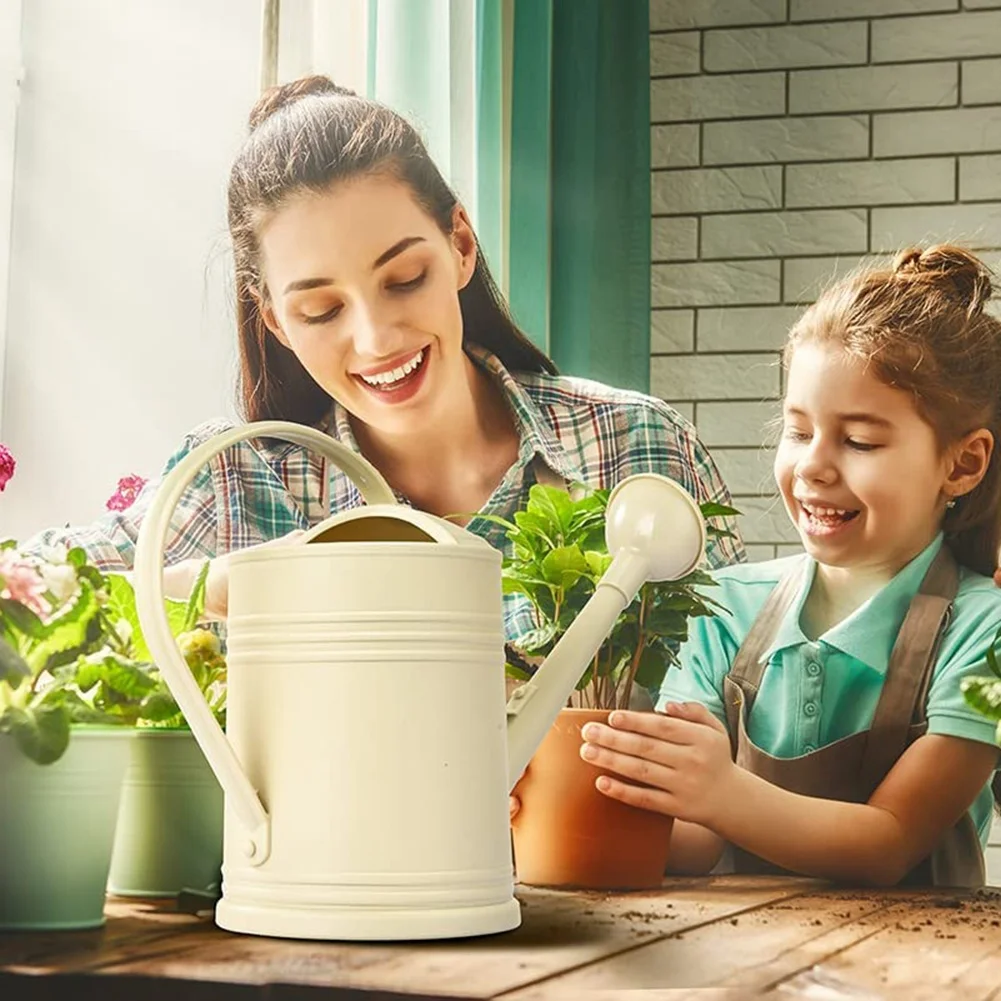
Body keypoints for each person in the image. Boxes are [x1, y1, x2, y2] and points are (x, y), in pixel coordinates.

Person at [20, 75, 742, 645]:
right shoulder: (236, 486)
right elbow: (33, 586)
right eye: (320, 310)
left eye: (403, 280)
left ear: (459, 244)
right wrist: (214, 585)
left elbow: (740, 690)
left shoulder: (636, 449)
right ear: (275, 320)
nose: (375, 339)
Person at [578, 245, 1001, 888]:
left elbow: (891, 840)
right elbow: (691, 842)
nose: (812, 467)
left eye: (859, 441)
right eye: (799, 432)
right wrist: (593, 791)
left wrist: (720, 791)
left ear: (963, 464)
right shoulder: (722, 605)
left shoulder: (988, 637)